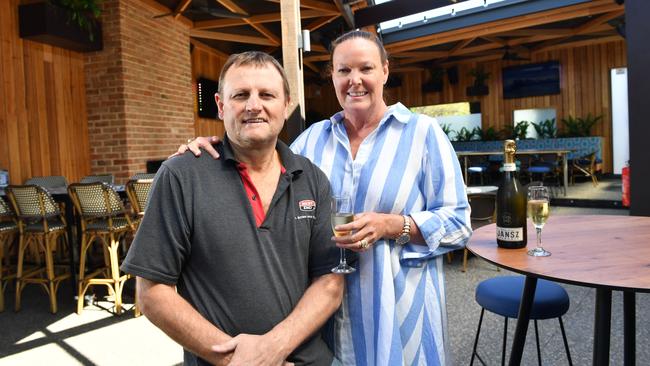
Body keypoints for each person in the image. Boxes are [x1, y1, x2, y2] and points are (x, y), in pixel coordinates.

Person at [176, 30, 471, 365]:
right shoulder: (311, 141)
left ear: (385, 71)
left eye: (366, 69)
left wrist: (392, 225)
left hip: (398, 311)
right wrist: (214, 144)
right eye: (343, 70)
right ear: (332, 76)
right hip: (325, 316)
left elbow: (460, 224)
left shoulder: (423, 134)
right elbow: (259, 157)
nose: (354, 80)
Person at [122, 51, 345, 366]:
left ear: (286, 104)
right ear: (220, 105)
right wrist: (238, 360)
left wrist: (272, 349)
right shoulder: (182, 176)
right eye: (241, 95)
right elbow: (152, 292)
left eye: (266, 94)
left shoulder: (312, 178)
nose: (254, 105)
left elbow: (330, 281)